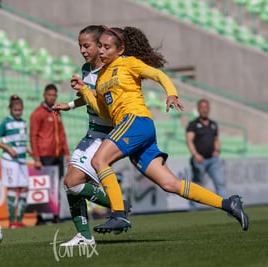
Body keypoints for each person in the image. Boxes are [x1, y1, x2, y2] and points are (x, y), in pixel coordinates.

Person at [70, 26, 249, 233]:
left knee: (99, 160)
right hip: (133, 130)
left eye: (106, 47)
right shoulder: (101, 77)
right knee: (170, 183)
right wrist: (84, 89)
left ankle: (119, 214)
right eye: (100, 46)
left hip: (136, 121)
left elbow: (158, 75)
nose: (101, 50)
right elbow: (104, 113)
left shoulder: (128, 63)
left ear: (120, 50)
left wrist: (172, 94)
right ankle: (229, 204)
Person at [53, 25, 129, 246]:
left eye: (86, 46)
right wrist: (69, 105)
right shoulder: (87, 69)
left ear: (99, 45)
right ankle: (84, 236)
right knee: (70, 184)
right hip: (91, 133)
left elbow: (105, 103)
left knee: (72, 182)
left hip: (106, 136)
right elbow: (87, 97)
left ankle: (117, 206)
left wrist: (90, 93)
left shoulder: (111, 71)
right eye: (80, 46)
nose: (83, 50)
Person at [29, 83, 70, 225]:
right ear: (44, 95)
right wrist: (36, 158)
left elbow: (62, 134)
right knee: (42, 186)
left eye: (54, 95)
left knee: (56, 186)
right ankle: (39, 218)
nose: (52, 97)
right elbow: (33, 136)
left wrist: (66, 152)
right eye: (50, 95)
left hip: (57, 154)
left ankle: (55, 216)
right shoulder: (37, 113)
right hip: (44, 155)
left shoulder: (57, 112)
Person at [0, 95, 29, 229]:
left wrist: (27, 149)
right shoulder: (5, 122)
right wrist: (8, 148)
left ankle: (19, 220)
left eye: (20, 110)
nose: (18, 112)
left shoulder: (24, 123)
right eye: (15, 110)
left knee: (24, 188)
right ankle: (12, 221)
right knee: (12, 188)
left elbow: (20, 140)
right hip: (9, 160)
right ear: (11, 109)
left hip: (22, 160)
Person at [186, 99, 227, 199]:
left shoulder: (213, 124)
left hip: (212, 160)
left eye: (206, 108)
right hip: (200, 160)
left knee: (220, 182)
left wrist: (217, 150)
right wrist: (195, 155)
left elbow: (216, 139)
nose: (204, 110)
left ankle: (224, 206)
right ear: (198, 109)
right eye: (202, 108)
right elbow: (189, 141)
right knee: (196, 185)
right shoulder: (193, 124)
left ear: (209, 109)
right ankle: (193, 209)